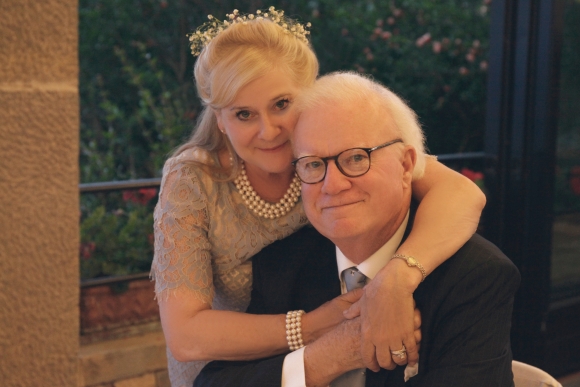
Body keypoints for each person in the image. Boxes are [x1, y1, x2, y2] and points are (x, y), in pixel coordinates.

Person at [151, 8, 486, 387]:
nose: (269, 131)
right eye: (244, 114)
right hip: (232, 369)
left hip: (345, 348)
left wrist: (396, 279)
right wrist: (311, 326)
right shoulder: (192, 180)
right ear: (221, 120)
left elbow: (461, 193)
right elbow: (185, 336)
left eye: (281, 104)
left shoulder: (332, 140)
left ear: (307, 94)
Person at [195, 72, 520, 387]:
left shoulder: (474, 278)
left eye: (355, 158)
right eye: (313, 164)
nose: (332, 185)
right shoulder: (283, 265)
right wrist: (325, 359)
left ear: (406, 166)